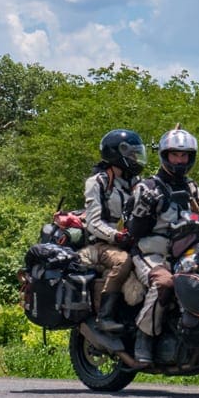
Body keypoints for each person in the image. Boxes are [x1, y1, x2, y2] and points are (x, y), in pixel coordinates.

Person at [126, 126, 199, 366]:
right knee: (165, 283)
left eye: (184, 155)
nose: (180, 160)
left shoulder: (191, 187)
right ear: (165, 155)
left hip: (186, 251)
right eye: (175, 155)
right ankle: (144, 337)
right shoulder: (148, 187)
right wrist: (144, 210)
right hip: (151, 252)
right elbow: (134, 231)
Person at [80, 129, 146, 333]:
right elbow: (93, 222)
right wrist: (115, 235)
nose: (136, 158)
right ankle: (104, 316)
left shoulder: (136, 183)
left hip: (130, 240)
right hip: (100, 244)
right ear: (118, 154)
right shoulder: (97, 183)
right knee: (122, 261)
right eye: (132, 154)